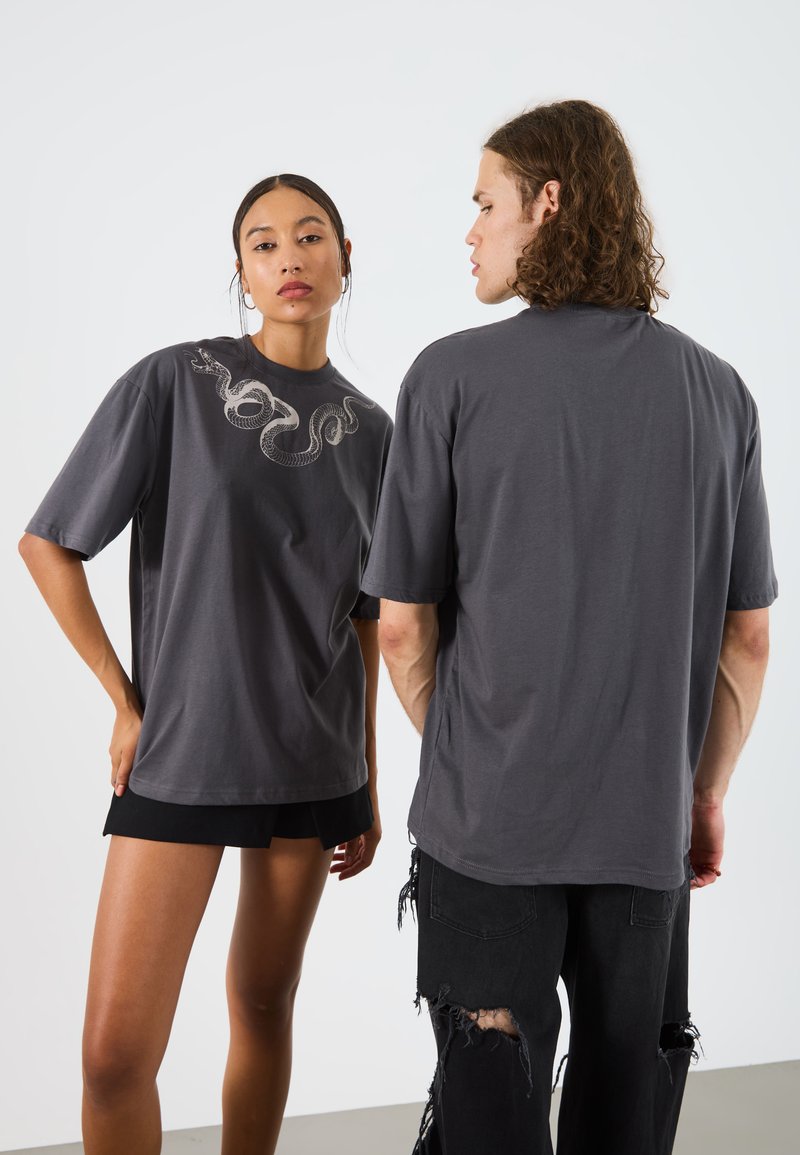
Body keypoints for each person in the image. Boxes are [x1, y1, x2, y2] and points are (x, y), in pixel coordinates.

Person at [361, 101, 776, 1154]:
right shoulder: (719, 393)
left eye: (484, 204)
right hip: (644, 826)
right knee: (626, 1096)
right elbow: (747, 640)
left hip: (489, 828)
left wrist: (470, 754)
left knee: (489, 1099)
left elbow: (401, 628)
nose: (469, 232)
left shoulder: (449, 377)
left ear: (547, 203)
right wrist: (702, 793)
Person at [19, 173, 392, 1155]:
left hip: (313, 767)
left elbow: (365, 620)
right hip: (181, 755)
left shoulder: (373, 434)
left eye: (309, 236)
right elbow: (49, 545)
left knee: (263, 1005)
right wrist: (123, 701)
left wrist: (368, 779)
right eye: (264, 244)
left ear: (345, 259)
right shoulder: (175, 383)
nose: (288, 258)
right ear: (241, 271)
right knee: (112, 1058)